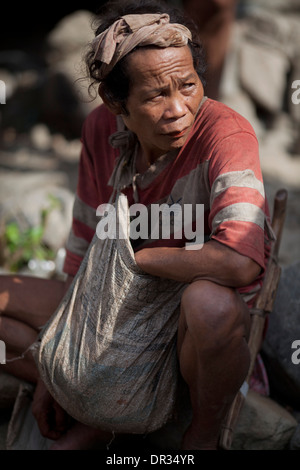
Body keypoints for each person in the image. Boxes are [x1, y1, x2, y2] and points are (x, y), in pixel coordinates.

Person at [0, 0, 271, 450]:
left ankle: (200, 434)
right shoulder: (98, 132)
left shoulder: (226, 134)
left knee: (212, 307)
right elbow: (84, 247)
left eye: (188, 85)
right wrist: (59, 365)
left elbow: (241, 263)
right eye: (154, 96)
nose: (178, 109)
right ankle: (77, 388)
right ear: (115, 101)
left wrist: (139, 260)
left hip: (181, 326)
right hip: (107, 304)